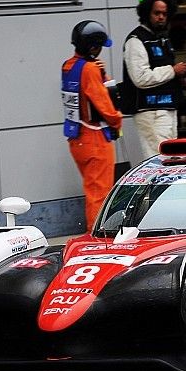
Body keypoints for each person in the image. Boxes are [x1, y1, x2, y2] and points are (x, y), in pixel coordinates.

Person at [62, 20, 123, 231]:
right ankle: (96, 237)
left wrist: (101, 73)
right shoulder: (89, 69)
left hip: (76, 138)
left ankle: (95, 233)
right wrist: (117, 118)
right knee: (100, 194)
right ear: (92, 46)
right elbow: (104, 105)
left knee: (92, 189)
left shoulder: (69, 66)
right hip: (95, 138)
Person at [122, 0, 186, 158]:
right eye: (157, 13)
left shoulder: (162, 39)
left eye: (164, 14)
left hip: (167, 109)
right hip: (151, 112)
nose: (161, 17)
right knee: (160, 159)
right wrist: (173, 71)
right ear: (146, 13)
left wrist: (177, 79)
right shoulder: (136, 40)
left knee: (170, 159)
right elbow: (140, 78)